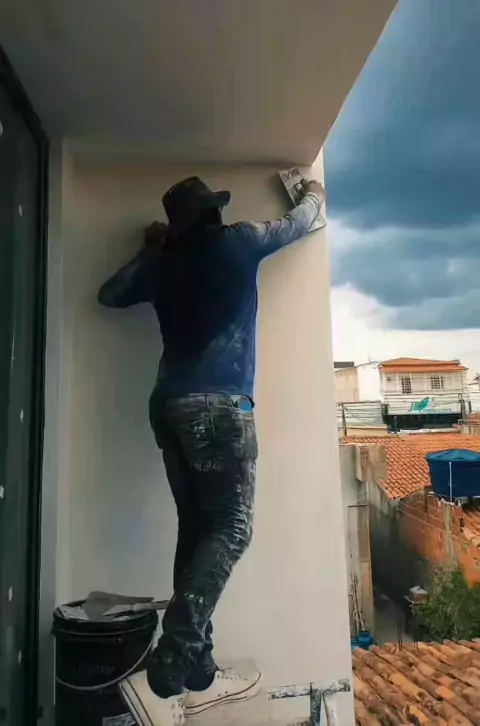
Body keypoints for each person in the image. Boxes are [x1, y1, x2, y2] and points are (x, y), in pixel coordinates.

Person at [97, 175, 326, 726]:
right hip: (218, 408)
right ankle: (172, 655)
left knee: (199, 530)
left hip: (169, 406)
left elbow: (110, 293)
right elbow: (298, 223)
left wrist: (151, 251)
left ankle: (197, 667)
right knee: (232, 528)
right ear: (213, 216)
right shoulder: (238, 242)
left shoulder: (163, 262)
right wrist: (314, 194)